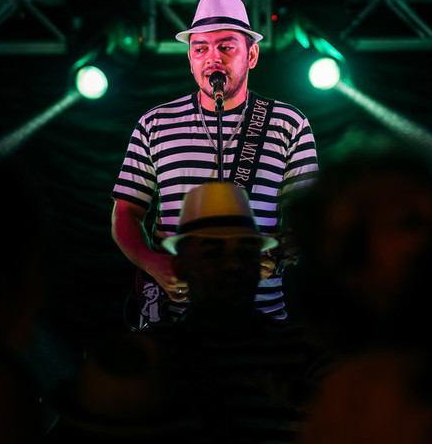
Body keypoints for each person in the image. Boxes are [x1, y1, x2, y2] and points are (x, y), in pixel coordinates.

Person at [111, 0, 318, 322]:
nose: (213, 58)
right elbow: (126, 213)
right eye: (200, 49)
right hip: (172, 319)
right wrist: (153, 263)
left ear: (252, 55)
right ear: (190, 59)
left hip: (260, 317)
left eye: (226, 47)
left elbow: (310, 221)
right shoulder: (154, 123)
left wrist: (279, 253)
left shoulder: (288, 124)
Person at [141, 182, 329, 443]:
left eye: (245, 252)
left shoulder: (306, 348)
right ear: (181, 266)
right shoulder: (148, 354)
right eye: (213, 254)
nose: (234, 264)